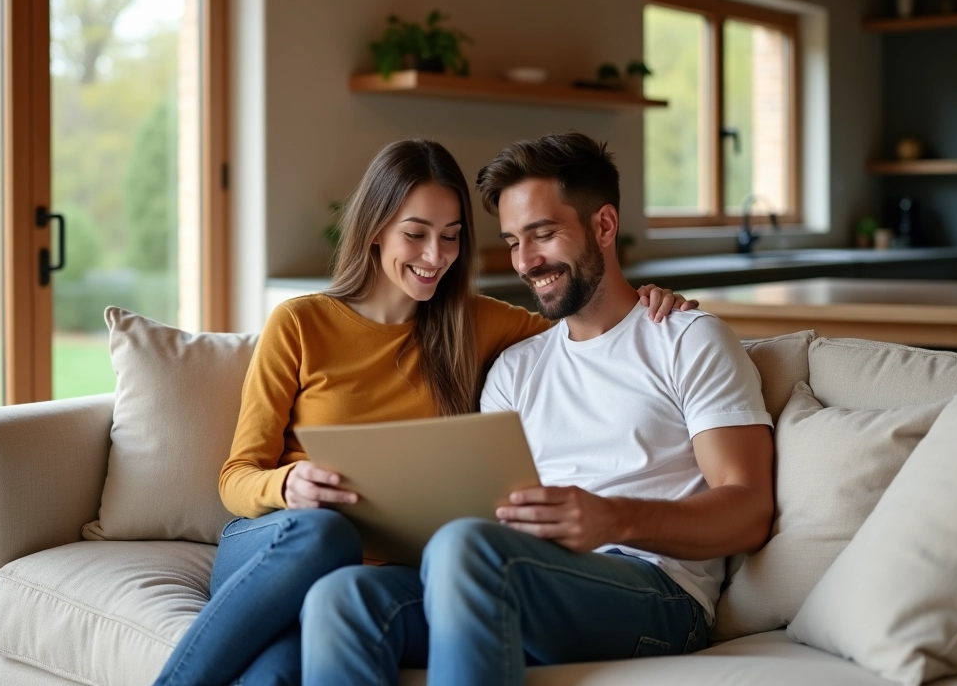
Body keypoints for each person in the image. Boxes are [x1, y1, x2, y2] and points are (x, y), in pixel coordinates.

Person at [152, 138, 695, 686]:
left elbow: (586, 327)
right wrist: (289, 486)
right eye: (416, 234)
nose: (435, 256)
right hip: (278, 548)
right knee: (326, 533)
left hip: (369, 585)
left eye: (451, 237)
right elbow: (236, 477)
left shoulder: (477, 324)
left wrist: (648, 297)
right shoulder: (300, 323)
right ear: (375, 228)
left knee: (276, 674)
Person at [300, 132, 775, 686]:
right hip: (518, 573)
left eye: (543, 234)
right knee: (342, 595)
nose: (526, 262)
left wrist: (613, 516)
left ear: (603, 226)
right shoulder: (515, 368)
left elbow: (749, 510)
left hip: (657, 592)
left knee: (467, 548)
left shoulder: (687, 340)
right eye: (512, 241)